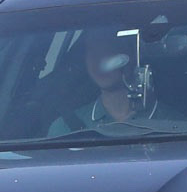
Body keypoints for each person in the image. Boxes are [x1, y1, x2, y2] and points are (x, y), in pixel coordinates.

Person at [48, 26, 179, 136]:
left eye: (109, 51)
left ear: (133, 55)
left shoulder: (176, 126)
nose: (100, 61)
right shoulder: (63, 129)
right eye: (93, 53)